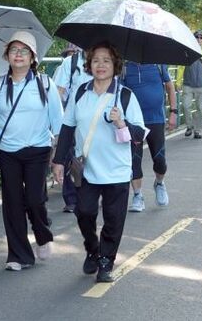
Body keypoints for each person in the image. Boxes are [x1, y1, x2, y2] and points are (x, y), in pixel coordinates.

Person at [52, 42, 145, 283]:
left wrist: (121, 123)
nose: (100, 65)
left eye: (106, 60)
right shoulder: (80, 92)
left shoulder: (125, 95)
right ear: (89, 65)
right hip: (87, 168)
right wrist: (58, 161)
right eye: (95, 60)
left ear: (115, 65)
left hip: (117, 170)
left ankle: (106, 262)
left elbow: (139, 135)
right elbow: (67, 126)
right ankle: (92, 249)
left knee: (114, 219)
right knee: (84, 212)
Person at [0, 31, 63, 272]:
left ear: (33, 57)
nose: (19, 55)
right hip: (8, 152)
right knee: (13, 203)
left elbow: (58, 121)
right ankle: (19, 255)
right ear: (7, 55)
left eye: (24, 51)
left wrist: (59, 157)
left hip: (38, 149)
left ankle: (42, 234)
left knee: (35, 200)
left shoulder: (45, 84)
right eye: (14, 50)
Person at [122, 62, 177, 212]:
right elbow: (119, 93)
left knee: (160, 160)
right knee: (134, 160)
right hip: (134, 121)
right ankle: (137, 195)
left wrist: (173, 111)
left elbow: (170, 87)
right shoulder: (124, 67)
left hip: (156, 119)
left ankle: (159, 183)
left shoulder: (159, 64)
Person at [53, 43, 93, 213]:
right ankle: (71, 199)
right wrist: (58, 116)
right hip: (73, 117)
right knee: (71, 157)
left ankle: (92, 194)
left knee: (92, 157)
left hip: (98, 118)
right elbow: (59, 91)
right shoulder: (70, 62)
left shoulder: (106, 61)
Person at [175, 30, 202, 139]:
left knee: (200, 108)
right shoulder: (187, 50)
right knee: (185, 105)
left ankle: (197, 130)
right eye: (196, 37)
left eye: (201, 37)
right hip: (188, 84)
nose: (199, 39)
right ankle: (189, 126)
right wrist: (178, 82)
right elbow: (181, 67)